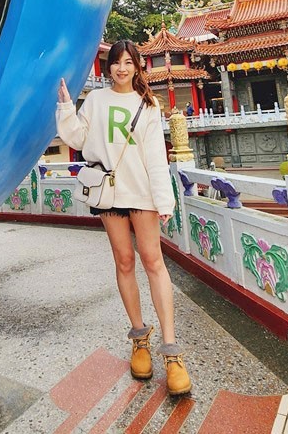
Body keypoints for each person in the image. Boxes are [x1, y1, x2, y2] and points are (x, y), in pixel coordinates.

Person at [56, 40, 191, 396]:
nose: (121, 68)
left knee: (153, 261)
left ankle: (172, 351)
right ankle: (139, 338)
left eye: (128, 63)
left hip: (142, 192)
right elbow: (78, 139)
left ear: (137, 67)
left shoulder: (147, 105)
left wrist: (164, 200)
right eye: (116, 62)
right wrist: (67, 106)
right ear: (109, 67)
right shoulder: (96, 101)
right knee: (124, 261)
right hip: (110, 193)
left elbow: (155, 158)